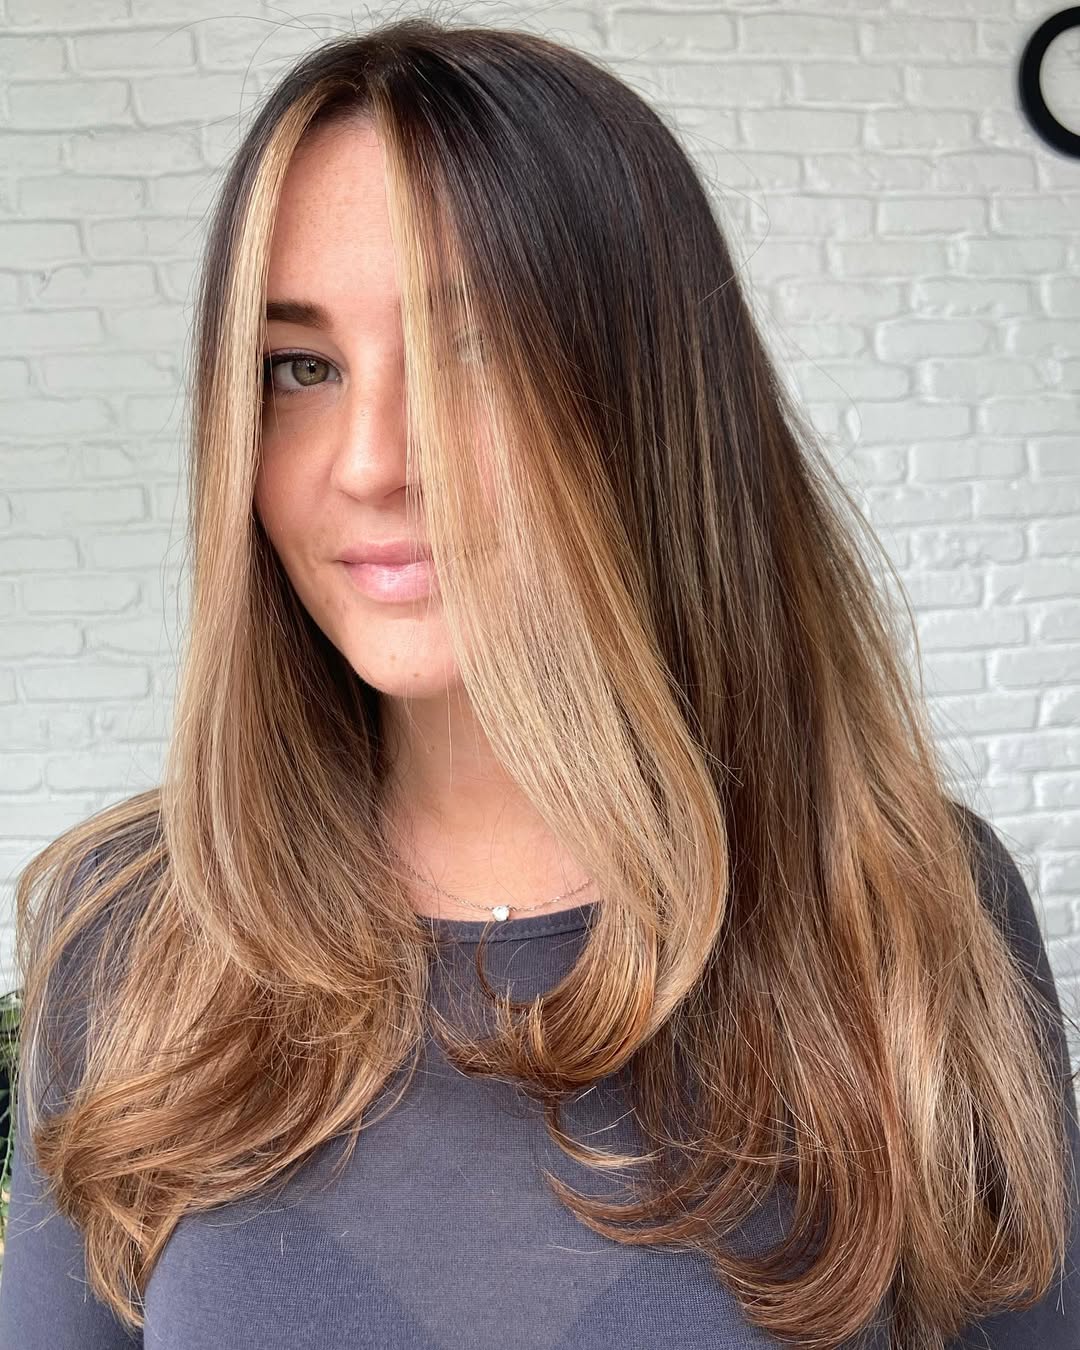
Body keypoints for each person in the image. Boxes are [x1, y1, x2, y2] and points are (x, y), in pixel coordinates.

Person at [0, 18, 1077, 1350]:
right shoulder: (134, 941)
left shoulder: (900, 909)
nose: (372, 462)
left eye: (476, 349)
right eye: (301, 365)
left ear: (654, 407)